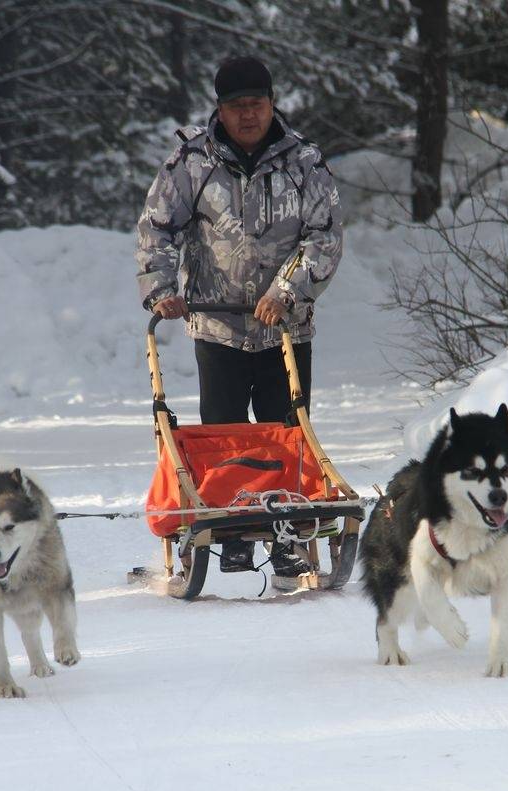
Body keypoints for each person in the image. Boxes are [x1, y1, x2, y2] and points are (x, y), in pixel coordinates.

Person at [135, 55, 343, 577]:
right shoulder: (191, 162)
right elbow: (157, 228)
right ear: (220, 109)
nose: (247, 115)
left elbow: (325, 238)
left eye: (256, 103)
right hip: (218, 324)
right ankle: (231, 533)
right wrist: (161, 290)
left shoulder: (306, 164)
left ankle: (290, 533)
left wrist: (286, 291)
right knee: (224, 436)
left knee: (286, 435)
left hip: (285, 329)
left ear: (272, 104)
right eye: (236, 106)